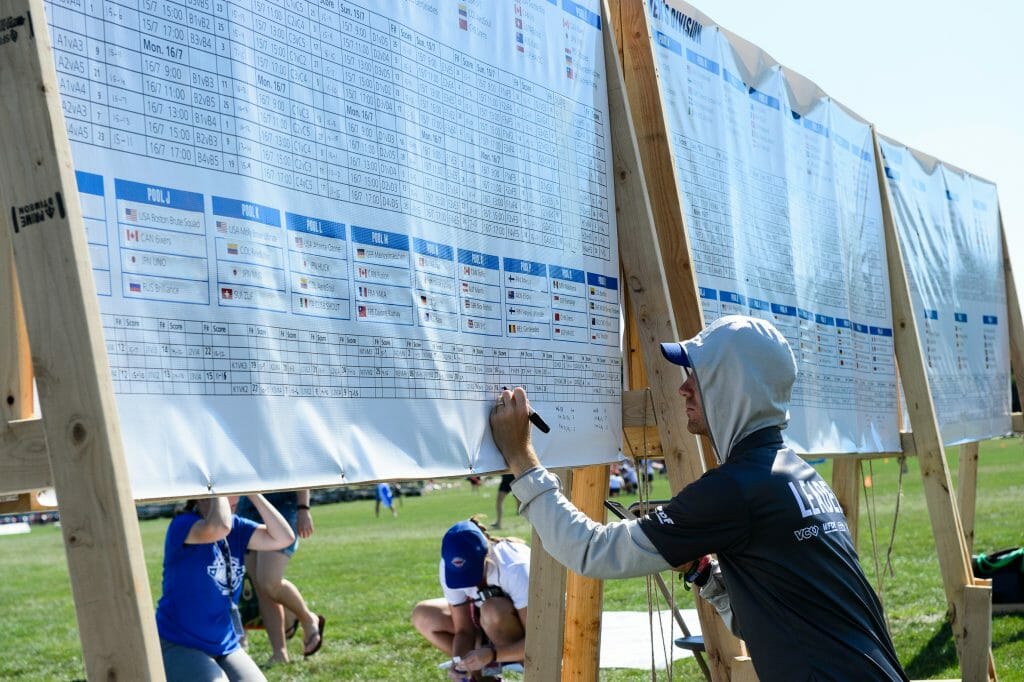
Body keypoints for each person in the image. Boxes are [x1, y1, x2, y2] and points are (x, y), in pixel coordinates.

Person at [489, 315, 908, 681]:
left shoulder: (737, 487)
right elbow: (767, 621)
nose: (683, 389)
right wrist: (705, 573)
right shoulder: (794, 472)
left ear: (732, 386)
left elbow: (592, 553)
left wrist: (522, 460)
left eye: (697, 375)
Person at [156, 494, 295, 681]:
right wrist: (218, 490)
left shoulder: (237, 527)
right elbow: (218, 528)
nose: (234, 501)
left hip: (224, 645)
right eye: (227, 497)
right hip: (178, 642)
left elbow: (284, 538)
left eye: (236, 498)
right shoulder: (183, 524)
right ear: (202, 497)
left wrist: (254, 494)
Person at [411, 518, 529, 680]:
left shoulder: (515, 568)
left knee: (492, 610)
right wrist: (458, 662)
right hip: (485, 626)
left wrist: (493, 654)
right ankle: (480, 674)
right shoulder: (450, 565)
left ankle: (528, 668)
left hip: (522, 631)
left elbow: (538, 640)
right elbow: (464, 630)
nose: (466, 583)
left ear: (486, 556)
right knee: (423, 615)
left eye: (470, 572)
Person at [237, 490, 324, 664]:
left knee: (269, 581)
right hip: (248, 504)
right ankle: (279, 653)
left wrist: (303, 508)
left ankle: (308, 619)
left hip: (284, 504)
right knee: (261, 588)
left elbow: (297, 470)